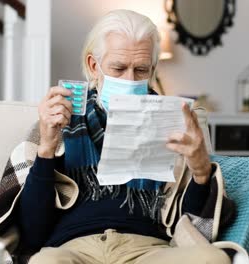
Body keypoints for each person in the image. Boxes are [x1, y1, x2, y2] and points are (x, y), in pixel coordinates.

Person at [20, 9, 229, 264]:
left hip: (149, 249)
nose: (130, 80)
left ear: (152, 68)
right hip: (73, 248)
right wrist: (47, 149)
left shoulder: (178, 123)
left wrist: (201, 172)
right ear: (93, 66)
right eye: (118, 68)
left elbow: (196, 226)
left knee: (213, 259)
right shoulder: (57, 120)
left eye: (141, 70)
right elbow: (31, 233)